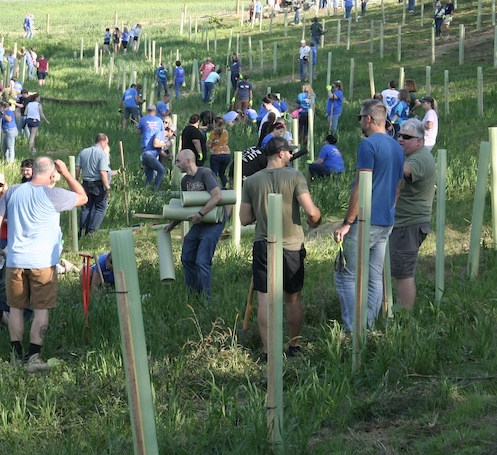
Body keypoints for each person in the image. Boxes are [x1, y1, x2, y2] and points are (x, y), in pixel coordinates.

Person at [0, 157, 87, 372]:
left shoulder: (13, 191)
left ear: (32, 171)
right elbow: (83, 197)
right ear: (52, 175)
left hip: (15, 260)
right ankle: (33, 357)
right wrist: (68, 173)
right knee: (42, 309)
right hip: (43, 263)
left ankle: (16, 356)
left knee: (15, 308)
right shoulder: (53, 194)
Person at [240, 137, 322, 357]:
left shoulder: (251, 181)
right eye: (288, 152)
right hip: (291, 246)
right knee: (292, 298)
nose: (290, 156)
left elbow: (244, 218)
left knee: (264, 299)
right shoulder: (295, 176)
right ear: (280, 153)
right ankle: (294, 346)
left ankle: (269, 351)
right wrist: (316, 220)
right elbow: (312, 212)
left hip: (263, 245)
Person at [332, 100, 405, 334]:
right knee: (374, 277)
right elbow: (398, 186)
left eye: (360, 117)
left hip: (366, 221)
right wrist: (389, 208)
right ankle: (369, 325)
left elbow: (361, 187)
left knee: (348, 276)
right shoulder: (396, 147)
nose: (360, 122)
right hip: (386, 221)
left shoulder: (368, 145)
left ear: (369, 119)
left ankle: (354, 330)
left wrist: (347, 223)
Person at [389, 119, 436, 309]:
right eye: (399, 135)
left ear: (419, 140)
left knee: (403, 273)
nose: (400, 139)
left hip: (409, 223)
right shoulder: (412, 154)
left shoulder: (419, 158)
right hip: (404, 222)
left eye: (406, 137)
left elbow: (404, 171)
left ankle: (404, 317)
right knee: (398, 270)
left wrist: (383, 155)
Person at [166, 150, 225, 298]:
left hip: (214, 221)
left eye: (178, 161)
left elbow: (217, 196)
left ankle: (206, 299)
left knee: (202, 260)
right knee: (187, 257)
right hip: (199, 222)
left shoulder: (206, 173)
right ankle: (194, 294)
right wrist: (172, 225)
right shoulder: (185, 181)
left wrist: (200, 214)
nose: (177, 164)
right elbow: (186, 207)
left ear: (188, 161)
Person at [77, 133, 118, 236]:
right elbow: (103, 172)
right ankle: (92, 232)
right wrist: (107, 187)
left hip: (85, 183)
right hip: (97, 184)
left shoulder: (83, 152)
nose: (106, 146)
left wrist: (76, 181)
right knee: (100, 208)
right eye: (106, 143)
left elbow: (77, 168)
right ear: (102, 142)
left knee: (86, 207)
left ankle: (81, 230)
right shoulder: (102, 154)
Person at [208, 117, 232, 188]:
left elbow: (209, 145)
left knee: (214, 173)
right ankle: (226, 185)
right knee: (222, 173)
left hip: (216, 154)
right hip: (227, 154)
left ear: (215, 123)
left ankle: (214, 187)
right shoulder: (226, 132)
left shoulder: (213, 133)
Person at [0, 100, 19, 165]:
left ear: (3, 107)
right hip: (6, 131)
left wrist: (4, 113)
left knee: (10, 147)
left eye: (0, 107)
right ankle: (6, 160)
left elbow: (9, 119)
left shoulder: (9, 112)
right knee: (4, 147)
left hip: (11, 130)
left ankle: (11, 162)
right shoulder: (3, 114)